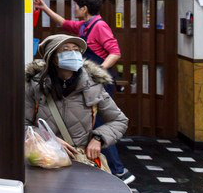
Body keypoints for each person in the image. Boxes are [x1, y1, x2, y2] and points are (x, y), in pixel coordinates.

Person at [33, 0, 133, 183]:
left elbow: (115, 52)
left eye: (76, 6)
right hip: (83, 78)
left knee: (98, 126)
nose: (74, 10)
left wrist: (94, 71)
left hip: (96, 80)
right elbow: (64, 23)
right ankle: (115, 169)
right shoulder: (85, 25)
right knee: (91, 125)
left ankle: (118, 170)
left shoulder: (100, 26)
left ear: (84, 8)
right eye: (66, 50)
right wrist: (44, 8)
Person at [25, 35, 128, 168]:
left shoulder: (92, 85)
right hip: (45, 158)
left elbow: (119, 120)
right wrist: (48, 138)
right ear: (53, 58)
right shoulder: (35, 86)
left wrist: (98, 138)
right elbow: (22, 125)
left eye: (76, 49)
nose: (73, 53)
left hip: (80, 160)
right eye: (66, 49)